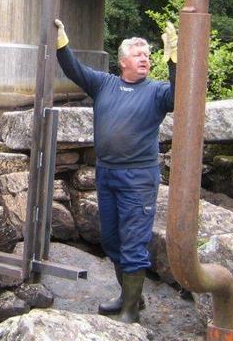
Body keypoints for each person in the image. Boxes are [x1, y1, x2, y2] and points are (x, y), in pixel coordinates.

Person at [54, 19, 178, 324]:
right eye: (138, 55)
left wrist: (175, 60)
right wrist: (61, 42)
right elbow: (73, 70)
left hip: (138, 178)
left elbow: (180, 95)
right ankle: (129, 297)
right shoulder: (104, 84)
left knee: (134, 243)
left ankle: (131, 313)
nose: (145, 59)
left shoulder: (157, 92)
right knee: (111, 240)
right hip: (107, 174)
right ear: (123, 62)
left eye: (148, 55)